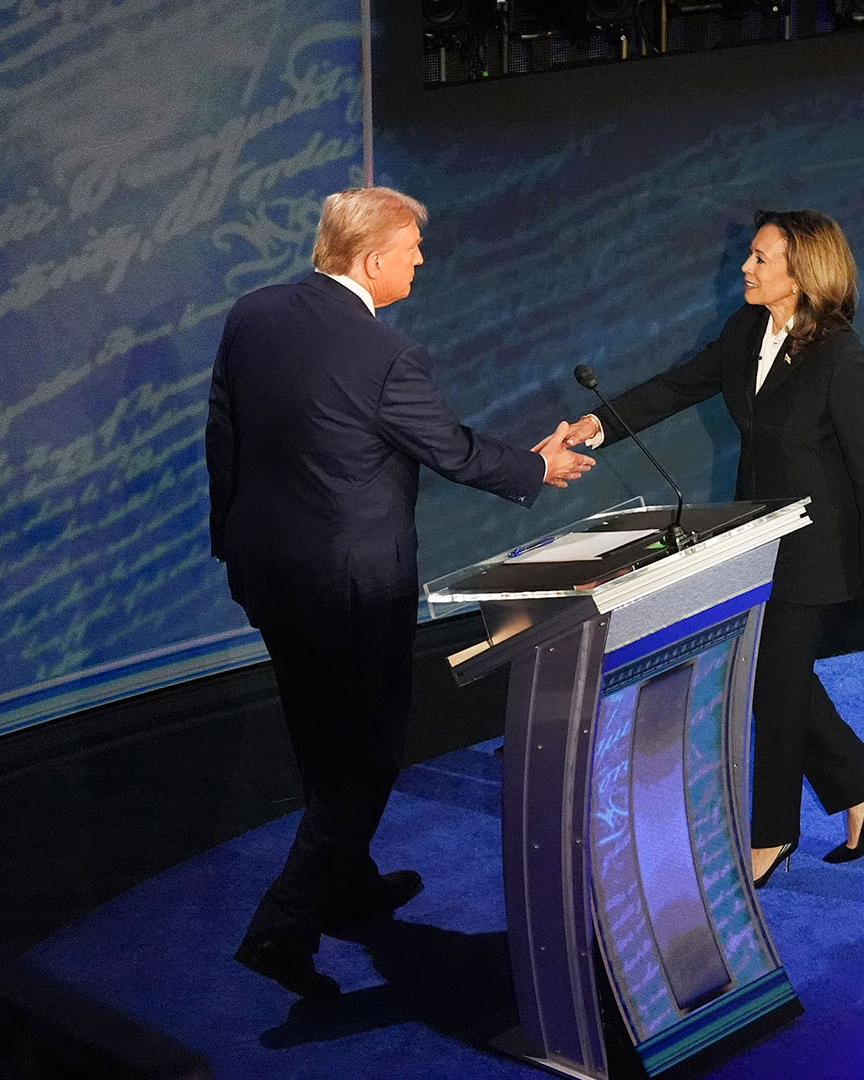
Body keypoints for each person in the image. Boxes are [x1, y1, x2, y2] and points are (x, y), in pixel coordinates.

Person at [205, 186, 594, 999]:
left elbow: (223, 436)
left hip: (268, 572)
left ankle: (348, 887)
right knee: (368, 759)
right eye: (413, 248)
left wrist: (233, 547)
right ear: (375, 260)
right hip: (351, 586)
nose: (421, 260)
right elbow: (449, 450)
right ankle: (282, 931)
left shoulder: (254, 314)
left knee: (320, 734)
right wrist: (539, 467)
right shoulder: (385, 354)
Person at [561, 209, 864, 888]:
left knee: (773, 690)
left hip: (817, 548)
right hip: (756, 536)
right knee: (782, 679)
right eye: (749, 256)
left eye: (759, 258)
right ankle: (863, 788)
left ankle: (773, 836)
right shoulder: (745, 329)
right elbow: (677, 385)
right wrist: (599, 423)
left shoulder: (842, 358)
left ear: (801, 273)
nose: (744, 268)